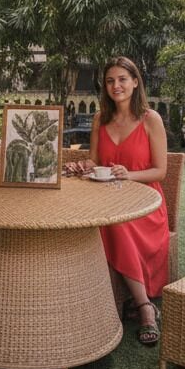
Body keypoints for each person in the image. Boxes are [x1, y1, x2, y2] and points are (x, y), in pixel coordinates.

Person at [64, 57, 170, 345]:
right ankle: (77, 297)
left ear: (135, 82)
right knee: (95, 220)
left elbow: (161, 171)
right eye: (110, 81)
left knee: (114, 225)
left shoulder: (151, 120)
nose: (116, 86)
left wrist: (130, 175)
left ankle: (144, 306)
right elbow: (96, 161)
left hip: (145, 208)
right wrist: (83, 166)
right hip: (107, 201)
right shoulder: (101, 119)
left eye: (122, 79)